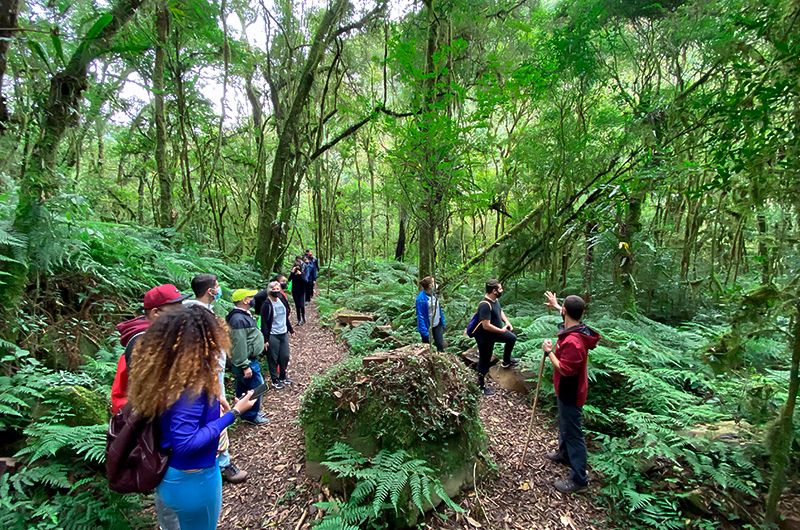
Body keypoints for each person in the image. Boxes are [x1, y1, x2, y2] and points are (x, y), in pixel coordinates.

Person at [128, 304, 258, 530]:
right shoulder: (190, 390)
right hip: (194, 479)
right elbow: (186, 443)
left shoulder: (165, 376)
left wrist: (216, 398)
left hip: (171, 476)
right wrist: (235, 413)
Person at [184, 274, 248, 484]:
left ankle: (218, 460)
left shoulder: (204, 312)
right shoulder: (193, 315)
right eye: (217, 286)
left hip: (214, 377)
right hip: (205, 380)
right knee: (213, 417)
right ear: (210, 290)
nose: (219, 289)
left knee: (216, 415)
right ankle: (221, 463)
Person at [542, 291, 600, 493]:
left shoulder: (574, 342)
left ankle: (579, 480)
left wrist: (549, 352)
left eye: (562, 308)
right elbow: (570, 317)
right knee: (565, 425)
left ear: (566, 311)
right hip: (566, 389)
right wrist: (558, 305)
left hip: (571, 391)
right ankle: (564, 454)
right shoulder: (577, 328)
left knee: (574, 433)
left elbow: (565, 369)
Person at [111, 284, 189, 414]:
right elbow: (151, 389)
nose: (183, 314)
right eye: (176, 310)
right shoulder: (144, 341)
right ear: (156, 312)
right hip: (145, 418)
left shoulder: (157, 336)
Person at [225, 289, 268, 425]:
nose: (253, 299)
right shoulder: (238, 319)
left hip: (248, 360)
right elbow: (239, 344)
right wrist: (245, 365)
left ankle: (242, 411)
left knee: (243, 387)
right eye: (251, 297)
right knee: (256, 387)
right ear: (244, 300)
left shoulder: (243, 315)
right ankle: (251, 415)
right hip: (247, 361)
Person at [473, 279, 519, 396]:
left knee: (511, 338)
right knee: (484, 360)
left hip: (495, 332)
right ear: (494, 291)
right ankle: (481, 386)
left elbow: (500, 310)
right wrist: (501, 330)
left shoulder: (495, 300)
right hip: (485, 337)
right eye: (500, 289)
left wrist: (507, 322)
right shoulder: (484, 305)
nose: (502, 290)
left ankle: (506, 361)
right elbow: (486, 325)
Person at [256, 280, 295, 390]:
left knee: (285, 356)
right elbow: (264, 323)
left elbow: (285, 316)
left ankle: (283, 376)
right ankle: (275, 379)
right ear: (269, 291)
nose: (276, 291)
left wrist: (291, 330)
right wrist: (265, 339)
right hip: (273, 334)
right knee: (273, 358)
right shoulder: (267, 305)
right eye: (274, 289)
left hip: (283, 332)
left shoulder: (281, 300)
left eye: (278, 288)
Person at [416, 276, 446, 352]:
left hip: (437, 323)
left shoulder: (434, 294)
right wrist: (424, 332)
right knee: (427, 347)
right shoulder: (421, 299)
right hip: (427, 325)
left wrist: (443, 321)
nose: (436, 284)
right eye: (434, 282)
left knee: (440, 345)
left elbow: (438, 309)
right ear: (430, 286)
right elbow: (420, 316)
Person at [289, 257, 307, 324]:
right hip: (295, 292)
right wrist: (292, 272)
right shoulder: (293, 274)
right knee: (297, 306)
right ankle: (299, 319)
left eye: (298, 267)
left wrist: (301, 275)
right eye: (296, 267)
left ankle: (303, 318)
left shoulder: (302, 273)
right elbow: (289, 279)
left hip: (301, 292)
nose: (297, 268)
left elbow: (305, 281)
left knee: (302, 305)